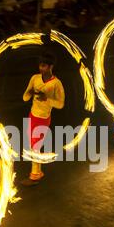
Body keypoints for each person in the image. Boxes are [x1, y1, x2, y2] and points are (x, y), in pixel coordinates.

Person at [21, 52, 65, 186]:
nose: (41, 68)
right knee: (34, 146)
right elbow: (25, 97)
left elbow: (61, 104)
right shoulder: (35, 78)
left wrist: (47, 99)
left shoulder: (57, 84)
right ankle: (38, 173)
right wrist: (30, 93)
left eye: (44, 66)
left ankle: (35, 176)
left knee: (35, 146)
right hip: (32, 115)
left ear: (51, 66)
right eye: (40, 65)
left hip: (43, 119)